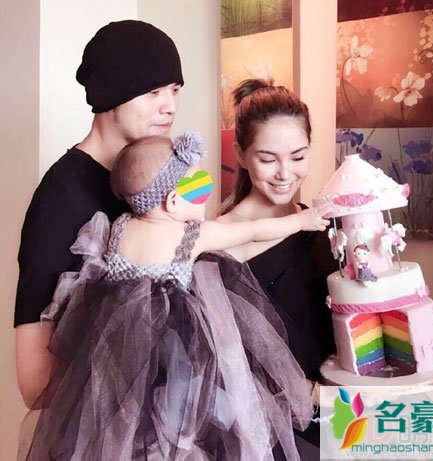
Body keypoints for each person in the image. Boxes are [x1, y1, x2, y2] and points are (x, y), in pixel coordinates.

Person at [25, 133, 333, 460]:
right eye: (198, 188)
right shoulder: (190, 235)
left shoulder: (119, 227)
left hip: (119, 348)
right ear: (172, 202)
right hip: (178, 350)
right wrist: (302, 220)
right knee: (204, 407)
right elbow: (253, 231)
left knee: (123, 422)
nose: (204, 197)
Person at [14, 20, 184, 409]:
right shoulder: (59, 199)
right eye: (153, 91)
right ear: (111, 92)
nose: (171, 105)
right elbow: (34, 384)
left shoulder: (164, 172)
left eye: (175, 90)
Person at [218, 79, 338, 452]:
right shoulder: (222, 241)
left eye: (298, 157)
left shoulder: (322, 224)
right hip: (281, 431)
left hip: (347, 407)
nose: (285, 173)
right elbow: (229, 365)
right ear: (240, 154)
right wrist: (314, 395)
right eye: (268, 159)